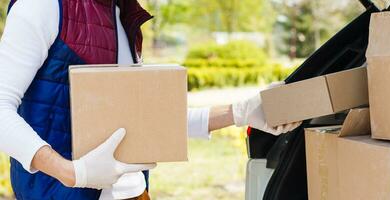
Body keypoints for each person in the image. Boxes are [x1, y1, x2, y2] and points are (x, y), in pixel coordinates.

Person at [0, 0, 301, 199]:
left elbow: (141, 120)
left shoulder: (121, 13)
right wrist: (73, 173)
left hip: (135, 193)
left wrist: (240, 112)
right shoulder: (43, 6)